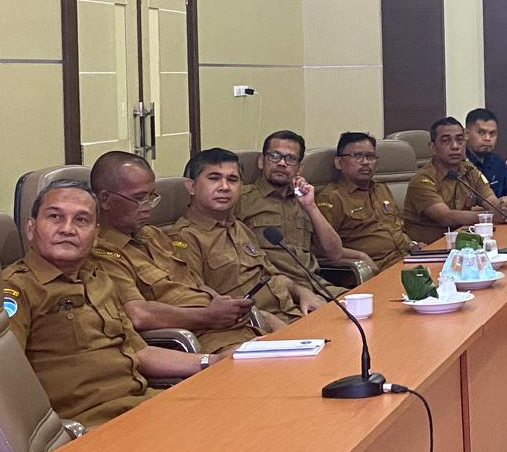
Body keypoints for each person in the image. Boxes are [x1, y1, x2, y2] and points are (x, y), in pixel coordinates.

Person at [3, 181, 223, 429]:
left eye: (81, 220)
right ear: (30, 228)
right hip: (91, 424)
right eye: (55, 217)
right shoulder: (16, 288)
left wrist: (212, 361)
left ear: (95, 236)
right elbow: (3, 380)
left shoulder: (98, 278)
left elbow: (140, 352)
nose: (67, 229)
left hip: (142, 404)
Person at [89, 151, 257, 354]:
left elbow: (195, 284)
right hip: (199, 341)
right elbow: (138, 314)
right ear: (105, 199)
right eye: (139, 198)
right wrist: (209, 316)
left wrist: (226, 305)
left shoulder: (153, 235)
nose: (148, 207)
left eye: (152, 196)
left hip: (234, 329)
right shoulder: (101, 251)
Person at [173, 149, 323, 330]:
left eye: (232, 180)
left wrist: (303, 292)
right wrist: (261, 317)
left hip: (290, 313)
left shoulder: (239, 227)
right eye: (214, 178)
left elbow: (272, 276)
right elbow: (200, 301)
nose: (224, 187)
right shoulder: (184, 238)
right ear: (191, 186)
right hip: (249, 328)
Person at [237, 130, 356, 289]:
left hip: (318, 286)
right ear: (261, 162)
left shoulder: (305, 200)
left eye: (291, 159)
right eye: (274, 156)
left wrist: (311, 207)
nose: (282, 163)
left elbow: (335, 253)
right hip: (277, 291)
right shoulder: (241, 199)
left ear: (299, 168)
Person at [402, 117, 507, 244]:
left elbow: (491, 202)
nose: (455, 146)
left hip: (465, 243)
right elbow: (446, 217)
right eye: (446, 141)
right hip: (431, 248)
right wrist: (491, 215)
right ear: (432, 147)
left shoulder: (470, 170)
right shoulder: (422, 180)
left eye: (460, 140)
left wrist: (503, 208)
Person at [316, 131, 415, 272]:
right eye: (357, 156)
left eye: (370, 156)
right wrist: (360, 256)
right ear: (338, 163)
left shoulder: (381, 188)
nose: (365, 162)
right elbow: (322, 249)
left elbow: (397, 227)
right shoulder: (332, 198)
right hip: (375, 269)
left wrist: (412, 245)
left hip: (406, 260)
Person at [464, 108, 507, 198]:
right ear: (466, 134)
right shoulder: (459, 163)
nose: (487, 138)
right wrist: (498, 203)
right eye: (481, 132)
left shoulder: (496, 161)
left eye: (492, 133)